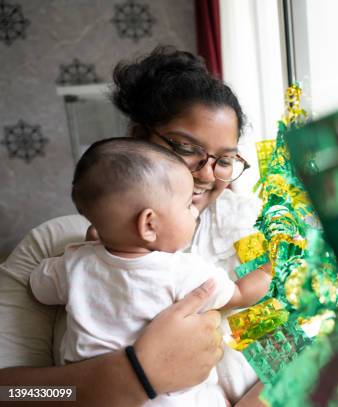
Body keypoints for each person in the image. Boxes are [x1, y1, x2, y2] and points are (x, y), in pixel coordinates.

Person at [0, 46, 268, 406]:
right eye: (186, 147)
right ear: (138, 136)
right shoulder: (56, 245)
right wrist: (134, 374)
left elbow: (320, 353)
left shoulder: (260, 234)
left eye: (225, 160)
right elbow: (11, 393)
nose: (206, 173)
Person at [29, 138, 270, 406]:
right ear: (149, 224)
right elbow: (238, 294)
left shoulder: (73, 262)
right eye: (186, 206)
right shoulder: (181, 269)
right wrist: (269, 270)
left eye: (224, 161)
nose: (193, 211)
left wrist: (85, 249)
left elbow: (39, 286)